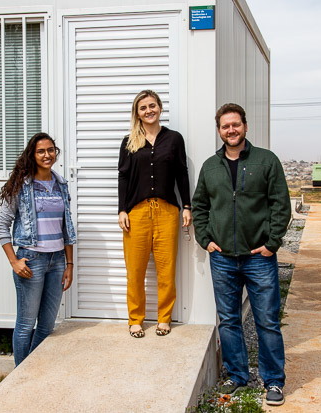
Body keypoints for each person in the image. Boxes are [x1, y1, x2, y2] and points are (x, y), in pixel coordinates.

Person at [192, 103, 291, 406]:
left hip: (258, 257)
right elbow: (200, 207)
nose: (231, 130)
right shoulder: (210, 166)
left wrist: (272, 243)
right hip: (222, 258)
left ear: (245, 126)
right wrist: (205, 240)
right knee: (229, 320)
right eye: (225, 126)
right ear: (219, 131)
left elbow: (280, 204)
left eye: (236, 124)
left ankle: (273, 381)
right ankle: (237, 375)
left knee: (267, 320)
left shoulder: (266, 161)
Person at [0, 132, 76, 366]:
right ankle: (21, 377)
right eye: (41, 151)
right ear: (32, 155)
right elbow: (1, 225)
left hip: (57, 260)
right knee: (25, 324)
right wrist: (14, 261)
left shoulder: (60, 184)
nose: (47, 155)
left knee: (48, 325)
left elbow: (66, 227)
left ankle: (34, 370)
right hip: (31, 260)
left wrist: (69, 264)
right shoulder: (22, 185)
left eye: (51, 150)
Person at [118, 89, 192, 338]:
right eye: (143, 108)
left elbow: (182, 173)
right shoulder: (130, 141)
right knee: (135, 270)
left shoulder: (174, 139)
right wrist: (122, 210)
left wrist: (187, 206)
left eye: (152, 105)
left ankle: (164, 318)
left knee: (166, 268)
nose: (148, 111)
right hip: (137, 212)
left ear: (159, 107)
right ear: (137, 113)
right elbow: (124, 177)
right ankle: (135, 319)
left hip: (167, 211)